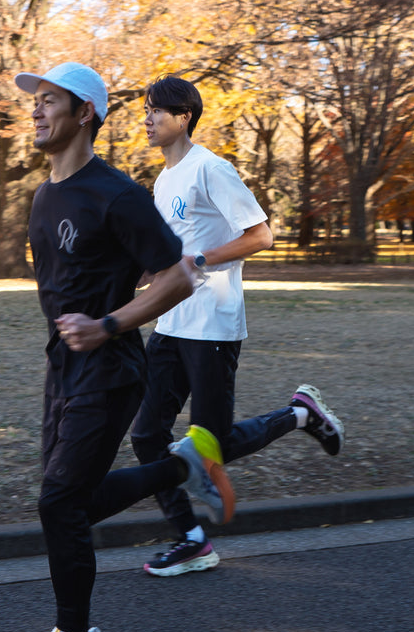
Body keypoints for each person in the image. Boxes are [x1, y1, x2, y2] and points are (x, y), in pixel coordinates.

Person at [1, 62, 236, 632]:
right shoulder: (46, 193)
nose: (36, 110)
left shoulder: (117, 193)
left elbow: (179, 275)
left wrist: (109, 323)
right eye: (36, 101)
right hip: (64, 365)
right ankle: (181, 466)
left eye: (51, 100)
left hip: (110, 365)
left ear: (85, 115)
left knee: (57, 503)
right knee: (69, 503)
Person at [132, 75, 345, 577]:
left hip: (212, 323)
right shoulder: (164, 180)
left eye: (155, 111)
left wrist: (199, 260)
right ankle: (191, 539)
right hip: (172, 321)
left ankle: (300, 414)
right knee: (146, 433)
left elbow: (261, 235)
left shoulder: (212, 169)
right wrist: (145, 274)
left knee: (213, 443)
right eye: (145, 111)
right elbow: (173, 250)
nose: (146, 120)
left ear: (183, 116)